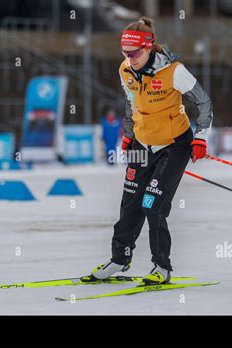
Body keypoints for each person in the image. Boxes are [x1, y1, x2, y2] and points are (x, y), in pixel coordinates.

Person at [91, 17, 213, 284]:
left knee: (152, 205)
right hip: (141, 144)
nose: (130, 58)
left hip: (174, 146)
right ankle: (119, 259)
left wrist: (201, 137)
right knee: (130, 204)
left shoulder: (174, 71)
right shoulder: (125, 70)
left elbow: (204, 103)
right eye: (125, 53)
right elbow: (130, 103)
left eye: (134, 53)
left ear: (149, 47)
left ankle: (162, 267)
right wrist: (128, 135)